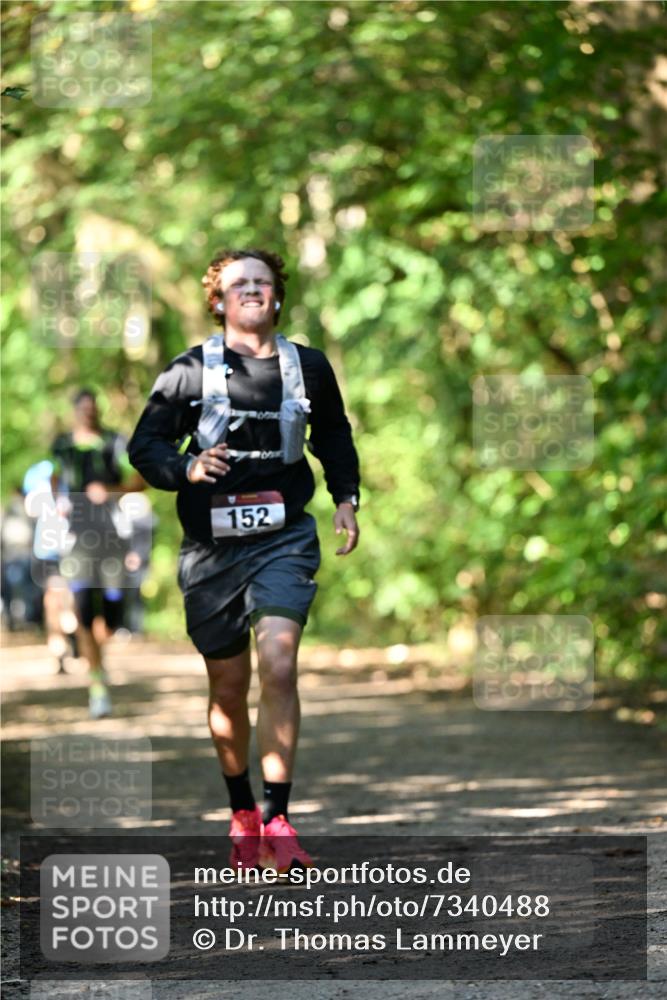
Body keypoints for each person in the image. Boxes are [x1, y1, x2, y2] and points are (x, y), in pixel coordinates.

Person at [128, 248, 360, 873]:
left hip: (284, 535)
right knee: (227, 686)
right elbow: (144, 445)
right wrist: (186, 466)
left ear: (277, 296)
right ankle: (242, 812)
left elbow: (333, 433)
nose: (252, 291)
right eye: (239, 284)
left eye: (262, 282)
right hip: (211, 549)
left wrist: (345, 499)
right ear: (218, 300)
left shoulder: (306, 366)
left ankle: (279, 817)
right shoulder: (188, 371)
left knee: (279, 660)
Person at [50, 389, 144, 718]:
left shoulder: (114, 442)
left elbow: (140, 479)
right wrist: (59, 501)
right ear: (75, 411)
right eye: (83, 409)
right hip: (77, 538)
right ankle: (97, 681)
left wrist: (111, 491)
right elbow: (54, 475)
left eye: (93, 409)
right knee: (83, 609)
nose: (88, 414)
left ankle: (99, 660)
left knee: (112, 607)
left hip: (112, 538)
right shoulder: (62, 445)